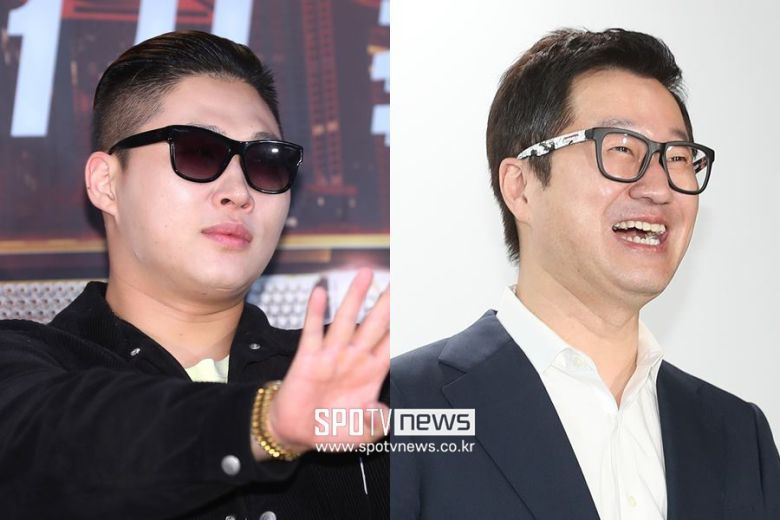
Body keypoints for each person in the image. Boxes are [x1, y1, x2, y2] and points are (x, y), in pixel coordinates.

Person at [390, 28, 779, 519]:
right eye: (621, 149)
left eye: (678, 158)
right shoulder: (404, 409)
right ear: (520, 187)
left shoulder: (738, 436)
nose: (659, 187)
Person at [0, 31, 389, 519]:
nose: (239, 192)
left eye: (265, 163)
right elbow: (52, 441)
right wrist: (265, 421)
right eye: (199, 152)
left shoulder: (365, 379)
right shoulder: (27, 367)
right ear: (106, 183)